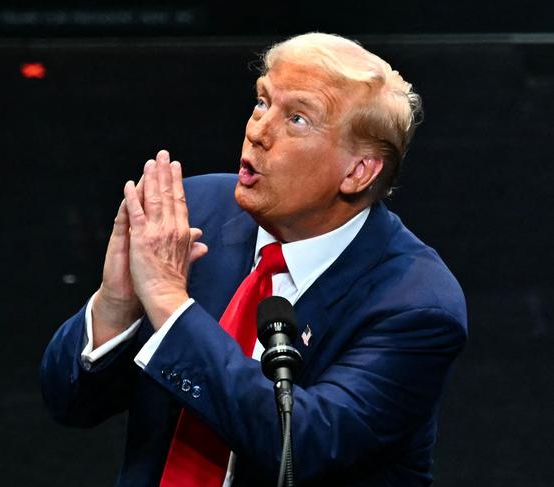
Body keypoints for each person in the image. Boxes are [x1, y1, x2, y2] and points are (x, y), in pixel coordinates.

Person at [40, 33, 467, 486]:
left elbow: (300, 449)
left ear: (357, 171)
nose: (257, 130)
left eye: (297, 118)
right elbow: (69, 403)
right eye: (263, 102)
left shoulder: (416, 304)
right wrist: (116, 303)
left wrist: (167, 302)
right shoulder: (193, 213)